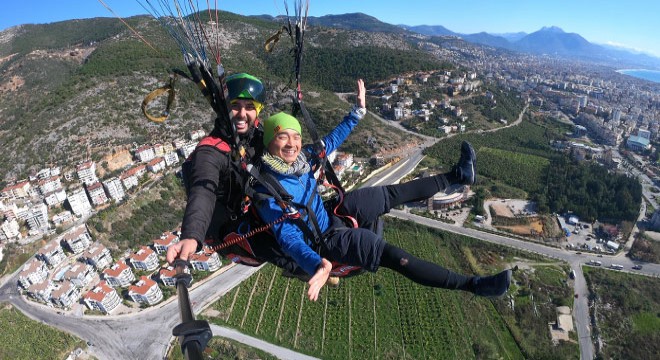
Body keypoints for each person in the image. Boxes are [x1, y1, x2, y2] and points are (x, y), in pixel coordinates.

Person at [255, 79, 512, 301]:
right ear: (269, 142)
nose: (292, 143)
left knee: (389, 194)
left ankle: (459, 175)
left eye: (296, 136)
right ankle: (473, 285)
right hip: (325, 241)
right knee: (391, 255)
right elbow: (287, 236)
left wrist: (358, 111)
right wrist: (316, 265)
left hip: (333, 210)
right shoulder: (268, 188)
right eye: (282, 137)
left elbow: (332, 140)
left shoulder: (304, 157)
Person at [166, 73, 303, 275]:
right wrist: (191, 235)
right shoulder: (210, 151)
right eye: (235, 105)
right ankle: (308, 269)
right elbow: (202, 192)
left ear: (258, 110)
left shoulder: (256, 137)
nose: (241, 113)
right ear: (224, 108)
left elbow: (283, 151)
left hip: (251, 211)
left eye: (249, 107)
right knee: (286, 252)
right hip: (227, 231)